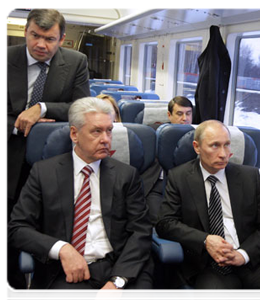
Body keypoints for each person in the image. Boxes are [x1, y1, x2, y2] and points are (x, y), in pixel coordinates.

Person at [7, 97, 154, 300]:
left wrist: (118, 281)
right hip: (69, 270)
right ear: (74, 134)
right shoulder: (44, 173)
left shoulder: (126, 175)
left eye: (109, 130)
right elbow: (17, 229)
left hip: (120, 266)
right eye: (96, 131)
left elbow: (141, 232)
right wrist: (62, 249)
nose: (106, 139)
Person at [156, 120, 260, 300]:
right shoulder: (179, 177)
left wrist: (243, 254)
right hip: (211, 267)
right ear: (197, 147)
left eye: (227, 145)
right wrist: (205, 240)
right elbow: (165, 223)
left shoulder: (250, 177)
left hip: (254, 261)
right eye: (215, 146)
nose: (224, 154)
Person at [5, 8, 90, 299]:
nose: (41, 44)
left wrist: (41, 108)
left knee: (50, 232)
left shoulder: (77, 62)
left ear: (62, 39)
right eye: (35, 36)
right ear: (25, 32)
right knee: (9, 236)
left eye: (49, 39)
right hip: (9, 161)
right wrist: (22, 124)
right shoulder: (6, 59)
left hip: (56, 164)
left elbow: (81, 109)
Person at [144, 96, 194, 223]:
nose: (185, 119)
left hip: (187, 186)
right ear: (169, 115)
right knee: (159, 219)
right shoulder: (154, 132)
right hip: (158, 183)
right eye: (179, 114)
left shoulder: (197, 135)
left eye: (188, 114)